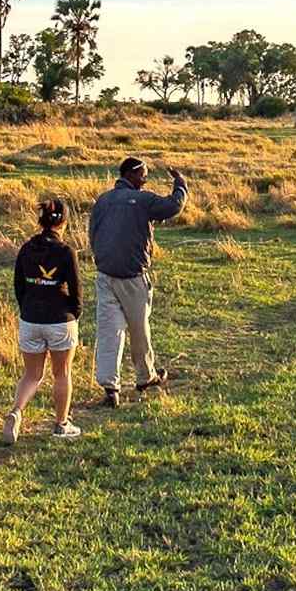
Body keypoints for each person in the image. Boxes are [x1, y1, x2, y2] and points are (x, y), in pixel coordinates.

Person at [88, 157, 188, 407]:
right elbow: (173, 206)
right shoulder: (143, 200)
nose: (145, 179)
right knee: (138, 329)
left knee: (109, 332)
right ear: (131, 175)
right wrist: (181, 184)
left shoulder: (102, 200)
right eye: (143, 175)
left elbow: (93, 233)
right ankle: (145, 377)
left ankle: (111, 388)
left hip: (104, 275)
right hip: (132, 277)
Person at [4, 197, 83, 443]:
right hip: (60, 318)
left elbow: (18, 285)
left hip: (31, 318)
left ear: (40, 221)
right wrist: (74, 313)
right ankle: (61, 423)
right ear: (64, 223)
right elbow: (76, 290)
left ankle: (16, 411)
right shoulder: (66, 251)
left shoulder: (26, 249)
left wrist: (27, 307)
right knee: (62, 374)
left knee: (31, 375)